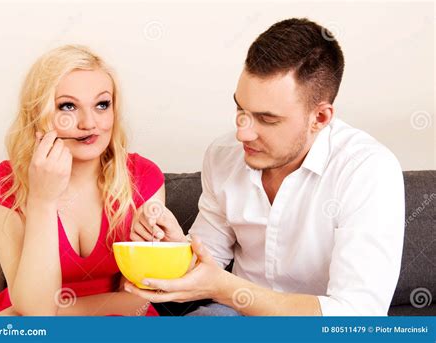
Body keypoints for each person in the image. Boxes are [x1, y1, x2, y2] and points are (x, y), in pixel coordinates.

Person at [127, 18, 405, 316]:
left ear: (320, 118)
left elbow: (357, 316)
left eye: (267, 119)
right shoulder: (224, 156)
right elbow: (204, 263)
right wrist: (172, 248)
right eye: (240, 109)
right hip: (235, 316)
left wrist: (224, 288)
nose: (242, 132)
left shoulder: (367, 170)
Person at [0, 45, 164, 316]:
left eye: (102, 105)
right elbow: (35, 311)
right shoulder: (2, 185)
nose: (89, 123)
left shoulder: (144, 177)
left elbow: (139, 299)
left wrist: (55, 313)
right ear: (38, 116)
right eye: (68, 106)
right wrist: (43, 200)